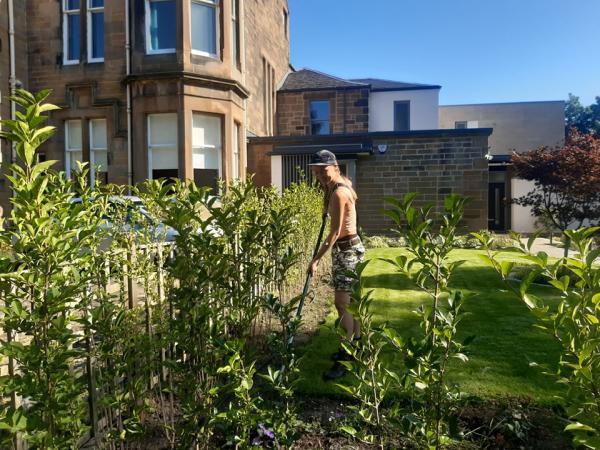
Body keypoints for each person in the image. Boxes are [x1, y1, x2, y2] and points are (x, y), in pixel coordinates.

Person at [308, 149, 365, 380]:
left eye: (324, 170)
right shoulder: (337, 184)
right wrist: (324, 205)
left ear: (335, 167)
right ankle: (358, 344)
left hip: (346, 249)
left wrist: (316, 259)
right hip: (349, 248)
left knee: (341, 304)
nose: (320, 174)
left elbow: (334, 234)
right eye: (316, 171)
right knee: (351, 303)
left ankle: (347, 354)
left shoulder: (339, 193)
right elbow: (330, 189)